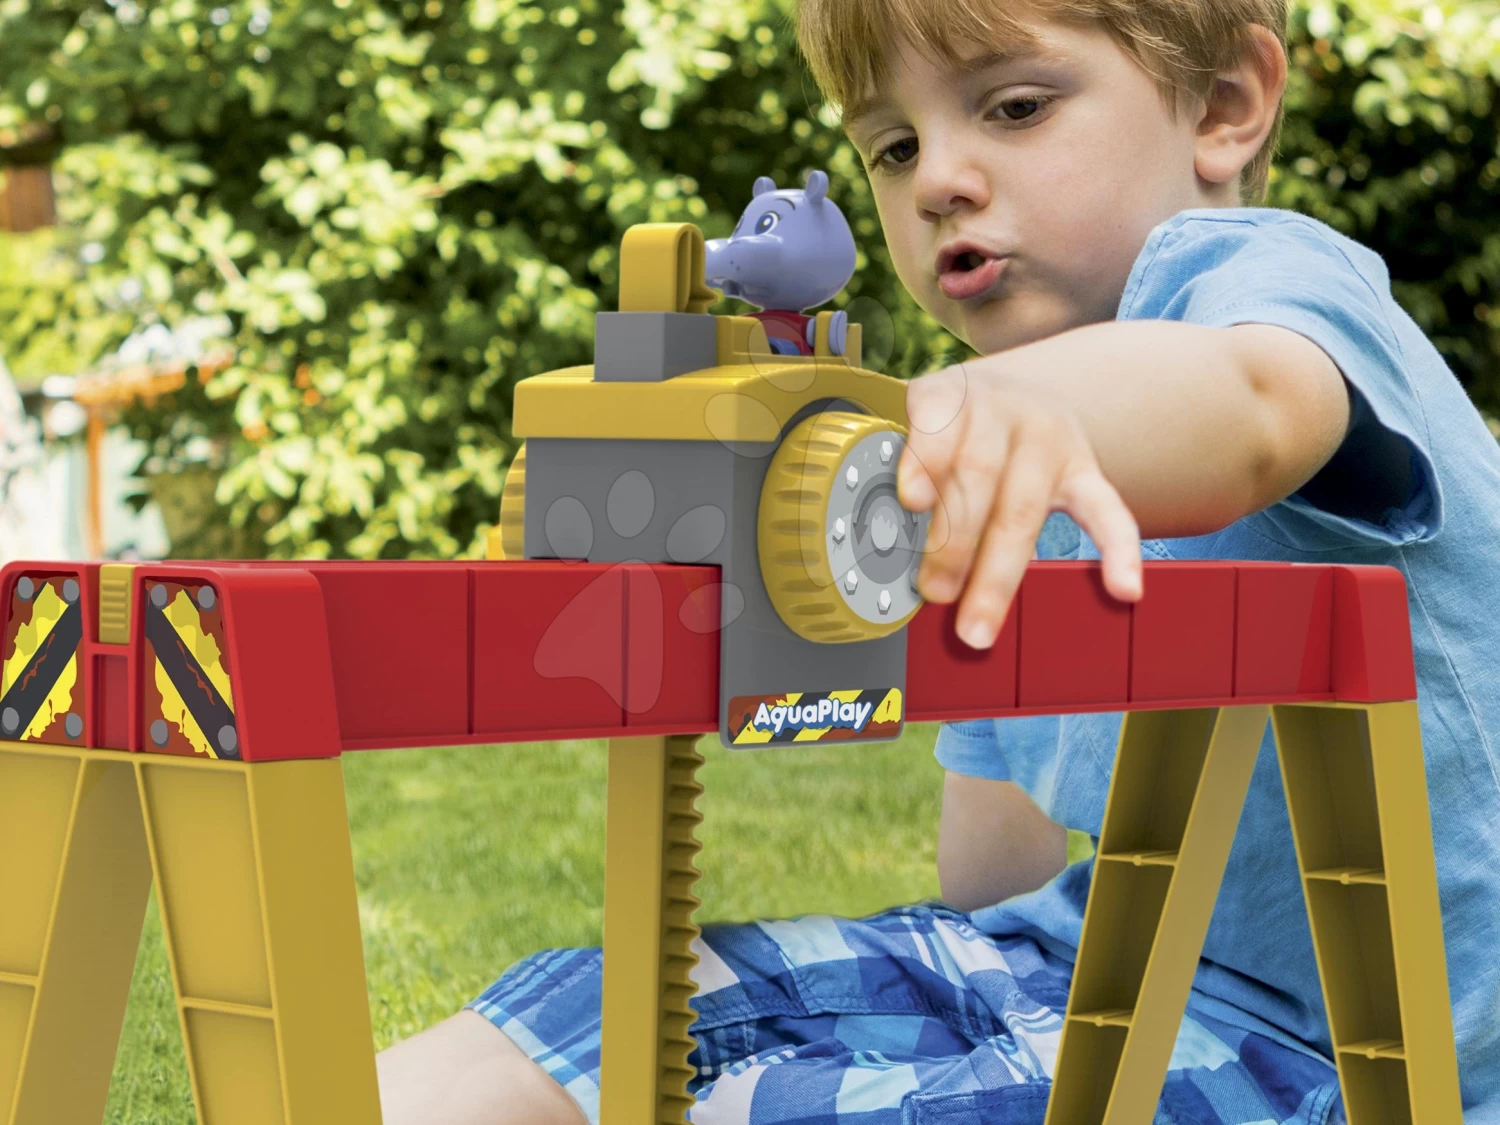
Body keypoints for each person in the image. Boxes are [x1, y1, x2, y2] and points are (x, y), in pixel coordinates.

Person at [377, 0, 1500, 1121]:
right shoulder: (992, 444)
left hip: (1353, 1062)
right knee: (611, 1010)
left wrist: (996, 408)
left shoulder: (1267, 288)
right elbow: (985, 878)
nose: (936, 182)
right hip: (1060, 958)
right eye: (893, 146)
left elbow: (1254, 411)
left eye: (1015, 107)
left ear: (1223, 107)